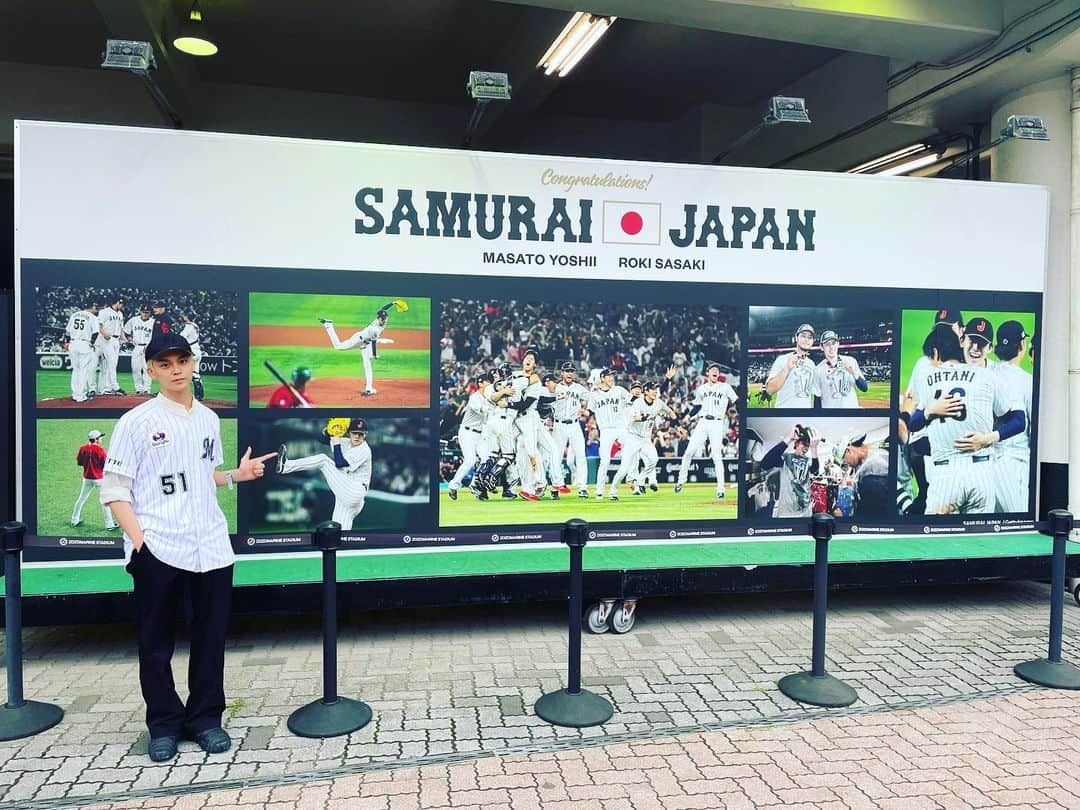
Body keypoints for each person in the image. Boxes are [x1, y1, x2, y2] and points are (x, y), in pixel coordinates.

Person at [101, 328, 275, 763]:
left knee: (210, 637)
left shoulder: (208, 419)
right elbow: (115, 490)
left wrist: (238, 474)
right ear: (151, 369)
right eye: (165, 363)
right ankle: (163, 724)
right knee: (155, 644)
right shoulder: (136, 421)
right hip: (159, 544)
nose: (175, 370)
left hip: (210, 544)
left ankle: (205, 719)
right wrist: (141, 545)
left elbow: (204, 475)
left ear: (193, 363)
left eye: (182, 361)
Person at [277, 418, 373, 528]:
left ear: (365, 435)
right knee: (339, 533)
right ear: (349, 432)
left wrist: (336, 441)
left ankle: (285, 466)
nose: (357, 436)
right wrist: (330, 430)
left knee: (323, 460)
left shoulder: (364, 449)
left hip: (355, 491)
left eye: (360, 434)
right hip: (345, 494)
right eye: (354, 433)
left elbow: (340, 463)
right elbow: (322, 439)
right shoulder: (346, 443)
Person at [991, 321, 1033, 512]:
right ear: (1022, 346)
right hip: (1014, 464)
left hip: (985, 461)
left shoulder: (987, 371)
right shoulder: (1027, 381)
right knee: (1019, 524)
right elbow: (1033, 429)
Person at [319, 306, 391, 396]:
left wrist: (393, 303)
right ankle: (328, 324)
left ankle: (369, 388)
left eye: (385, 318)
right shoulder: (374, 329)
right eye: (383, 319)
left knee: (367, 364)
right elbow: (374, 343)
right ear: (378, 318)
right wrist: (375, 355)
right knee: (338, 347)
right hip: (358, 340)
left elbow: (383, 309)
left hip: (366, 344)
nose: (384, 320)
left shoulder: (382, 322)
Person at [760, 424, 820, 518]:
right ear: (796, 443)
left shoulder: (808, 460)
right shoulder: (786, 457)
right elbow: (765, 464)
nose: (806, 448)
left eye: (808, 446)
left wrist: (814, 448)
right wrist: (789, 438)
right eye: (804, 444)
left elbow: (815, 471)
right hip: (787, 512)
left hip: (806, 510)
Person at [71, 429, 117, 530]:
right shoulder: (100, 451)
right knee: (105, 501)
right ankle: (110, 525)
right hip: (99, 479)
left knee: (81, 499)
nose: (102, 439)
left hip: (87, 478)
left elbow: (79, 462)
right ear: (96, 439)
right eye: (100, 437)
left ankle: (74, 520)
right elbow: (105, 466)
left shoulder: (83, 448)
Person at [765, 324, 817, 408]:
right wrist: (787, 368)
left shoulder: (811, 364)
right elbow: (769, 390)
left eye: (810, 337)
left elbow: (811, 393)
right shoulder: (782, 359)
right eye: (803, 336)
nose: (806, 340)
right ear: (796, 338)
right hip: (784, 415)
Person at [814, 330, 866, 408]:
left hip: (850, 415)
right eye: (827, 344)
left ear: (838, 344)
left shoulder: (850, 361)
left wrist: (854, 373)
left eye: (834, 343)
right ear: (821, 347)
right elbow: (817, 399)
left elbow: (864, 388)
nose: (831, 347)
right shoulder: (818, 370)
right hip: (831, 417)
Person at [123, 304, 155, 395]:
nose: (145, 314)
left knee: (147, 369)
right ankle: (138, 389)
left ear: (150, 313)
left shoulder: (153, 322)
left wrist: (150, 345)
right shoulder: (134, 320)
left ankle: (147, 389)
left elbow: (156, 336)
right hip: (137, 347)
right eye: (143, 312)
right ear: (140, 312)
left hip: (148, 347)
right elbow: (126, 331)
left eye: (147, 312)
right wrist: (128, 339)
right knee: (135, 368)